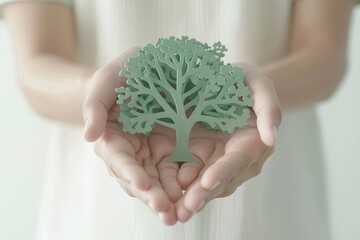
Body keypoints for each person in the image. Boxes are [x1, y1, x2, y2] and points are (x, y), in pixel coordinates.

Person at [0, 0, 353, 239]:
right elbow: (36, 61)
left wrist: (245, 92)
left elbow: (324, 52)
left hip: (273, 205)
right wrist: (105, 94)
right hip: (98, 214)